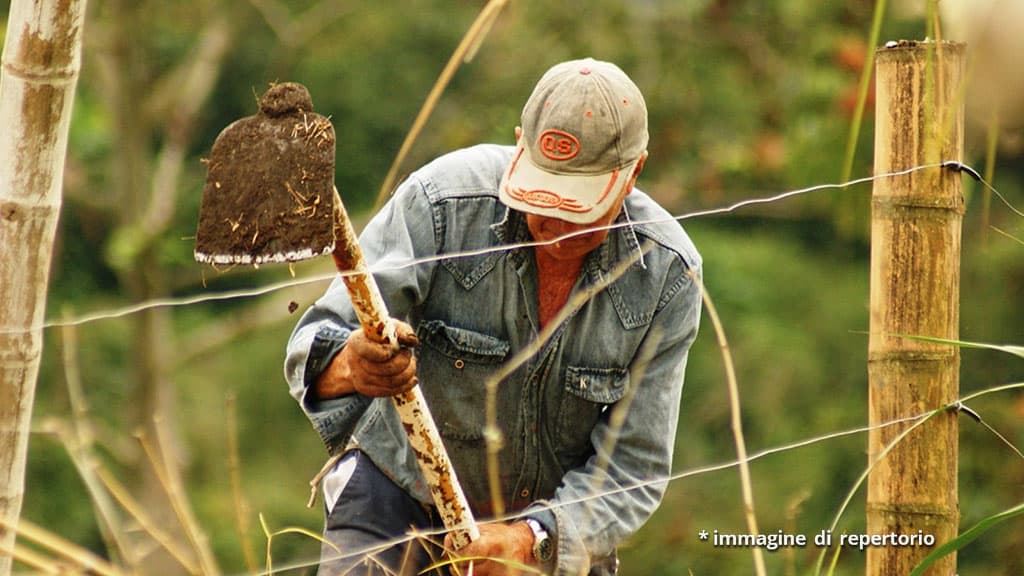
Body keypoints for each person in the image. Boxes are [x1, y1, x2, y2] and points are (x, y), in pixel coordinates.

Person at [284, 57, 702, 576]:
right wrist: (352, 364)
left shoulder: (666, 275)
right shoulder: (441, 202)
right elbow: (312, 347)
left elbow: (632, 468)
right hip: (395, 498)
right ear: (520, 148)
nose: (551, 222)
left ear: (633, 173)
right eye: (539, 195)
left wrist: (529, 543)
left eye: (577, 206)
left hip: (549, 537)